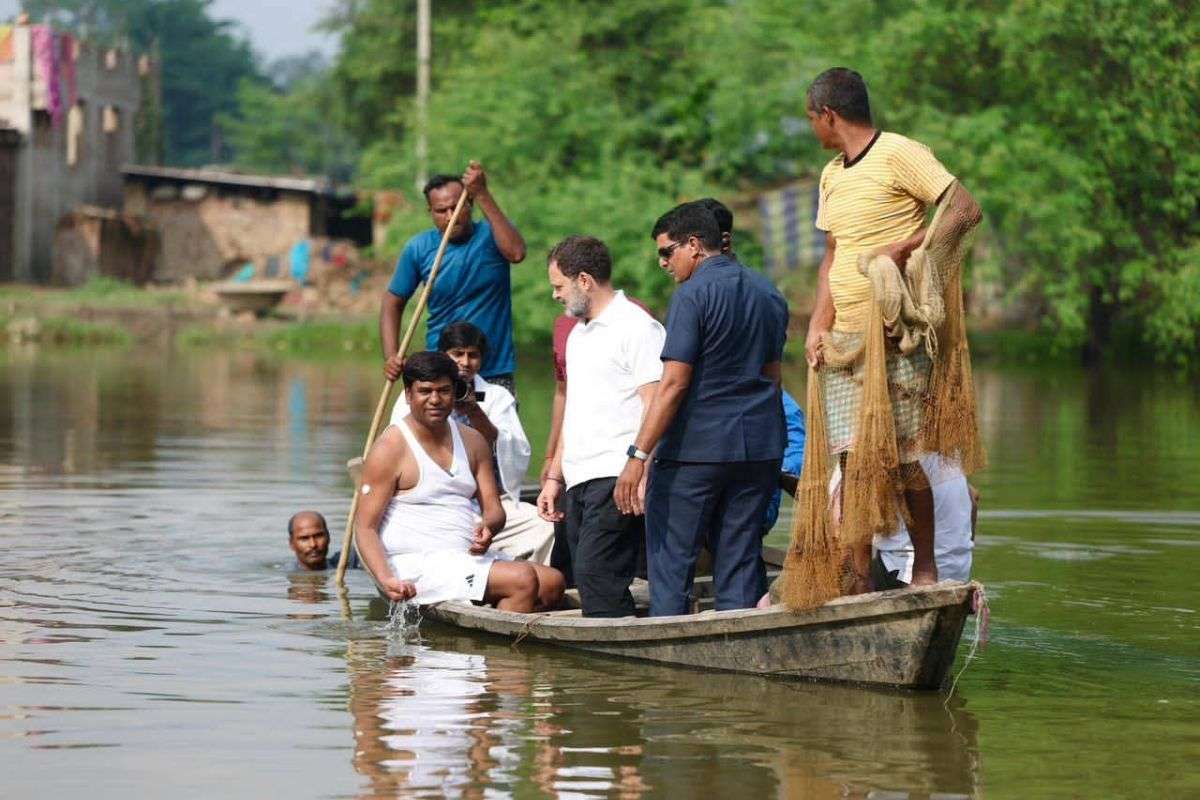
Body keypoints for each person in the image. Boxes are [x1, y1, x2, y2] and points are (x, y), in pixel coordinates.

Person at [802, 67, 982, 589]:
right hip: (845, 342)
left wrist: (907, 249)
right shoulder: (832, 173)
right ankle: (860, 577)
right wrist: (818, 325)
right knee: (852, 460)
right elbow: (832, 255)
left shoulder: (900, 152)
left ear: (828, 115)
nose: (814, 129)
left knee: (902, 457)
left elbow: (963, 209)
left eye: (812, 119)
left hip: (896, 335)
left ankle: (924, 568)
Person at [614, 202, 789, 616]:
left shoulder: (692, 295)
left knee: (673, 559)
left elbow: (673, 383)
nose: (663, 263)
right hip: (759, 448)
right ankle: (732, 648)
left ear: (693, 245)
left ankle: (670, 653)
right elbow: (773, 377)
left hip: (697, 451)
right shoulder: (769, 292)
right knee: (741, 557)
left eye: (666, 251)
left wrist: (638, 456)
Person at [354, 351, 564, 611]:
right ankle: (498, 649)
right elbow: (364, 528)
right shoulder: (390, 447)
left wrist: (489, 529)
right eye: (425, 391)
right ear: (409, 395)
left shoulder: (473, 440)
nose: (435, 400)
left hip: (464, 556)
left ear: (455, 393)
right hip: (414, 563)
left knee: (554, 583)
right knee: (523, 580)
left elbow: (494, 509)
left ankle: (497, 624)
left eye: (444, 391)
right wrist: (386, 578)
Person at [537, 235, 665, 617]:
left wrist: (641, 467)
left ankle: (623, 667)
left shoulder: (637, 327)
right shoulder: (577, 334)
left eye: (559, 286)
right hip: (579, 478)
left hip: (616, 475)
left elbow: (655, 404)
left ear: (584, 280)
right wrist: (553, 478)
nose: (556, 296)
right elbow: (574, 409)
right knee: (587, 576)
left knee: (598, 575)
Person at [390, 320, 555, 565]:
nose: (465, 363)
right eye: (457, 354)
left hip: (489, 502)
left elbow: (511, 448)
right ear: (443, 356)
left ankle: (527, 577)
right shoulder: (419, 394)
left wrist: (474, 411)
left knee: (545, 525)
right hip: (434, 503)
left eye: (473, 355)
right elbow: (400, 445)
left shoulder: (496, 396)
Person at [380, 163, 527, 396]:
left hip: (494, 372)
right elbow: (392, 302)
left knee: (494, 433)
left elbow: (517, 253)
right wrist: (391, 355)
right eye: (441, 211)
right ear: (430, 212)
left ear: (469, 204)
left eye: (456, 207)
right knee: (442, 432)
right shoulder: (419, 248)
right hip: (441, 373)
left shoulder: (492, 235)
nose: (451, 217)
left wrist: (482, 193)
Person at [287, 510, 360, 571]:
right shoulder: (284, 578)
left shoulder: (347, 562)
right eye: (304, 538)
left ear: (328, 537)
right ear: (291, 544)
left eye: (318, 536)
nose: (313, 544)